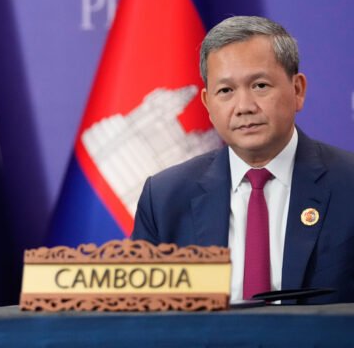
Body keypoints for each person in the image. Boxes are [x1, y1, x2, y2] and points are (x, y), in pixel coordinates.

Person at [132, 15, 354, 304]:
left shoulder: (347, 183)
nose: (244, 107)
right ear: (208, 104)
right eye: (226, 91)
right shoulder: (164, 198)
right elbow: (142, 315)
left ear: (297, 90)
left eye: (260, 85)